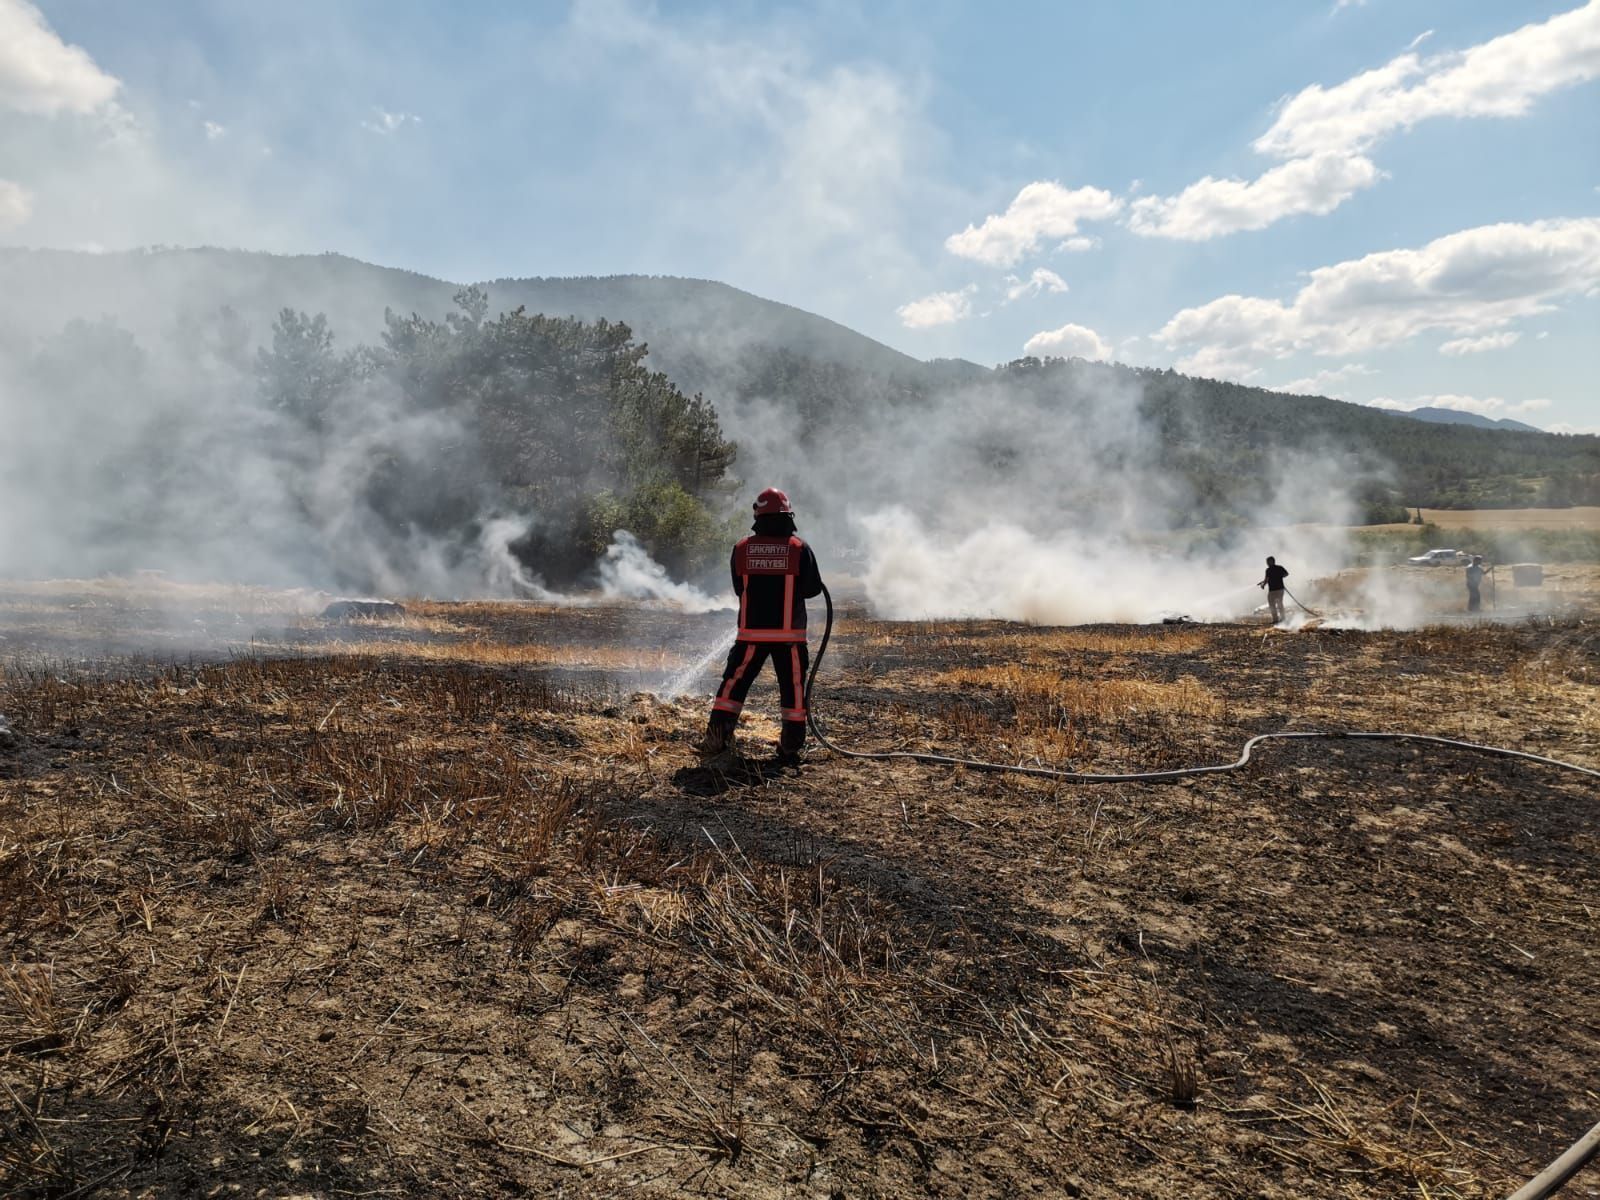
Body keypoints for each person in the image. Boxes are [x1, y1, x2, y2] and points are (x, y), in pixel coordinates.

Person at [701, 488, 825, 765]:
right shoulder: (799, 548)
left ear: (758, 515)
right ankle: (790, 747)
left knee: (733, 686)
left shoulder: (742, 548)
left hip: (751, 635)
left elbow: (738, 588)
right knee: (793, 690)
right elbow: (812, 589)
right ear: (788, 515)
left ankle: (716, 739)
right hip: (789, 638)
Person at [1258, 556, 1289, 624]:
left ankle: (1276, 620)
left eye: (1268, 562)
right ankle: (1282, 619)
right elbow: (1286, 574)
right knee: (1279, 604)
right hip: (1280, 589)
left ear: (1271, 561)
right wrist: (1280, 576)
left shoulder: (1268, 570)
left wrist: (1263, 585)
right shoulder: (1280, 568)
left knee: (1272, 605)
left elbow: (1266, 580)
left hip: (1274, 590)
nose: (1267, 563)